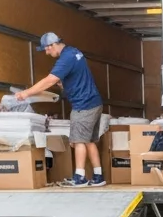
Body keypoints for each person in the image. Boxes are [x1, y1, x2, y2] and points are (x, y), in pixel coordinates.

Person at [16, 32, 106, 187]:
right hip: (94, 102)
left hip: (83, 105)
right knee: (89, 141)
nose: (46, 52)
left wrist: (26, 93)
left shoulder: (66, 58)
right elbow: (76, 76)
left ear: (53, 45)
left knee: (78, 141)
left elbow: (49, 80)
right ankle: (98, 176)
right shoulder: (74, 52)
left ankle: (80, 177)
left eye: (46, 49)